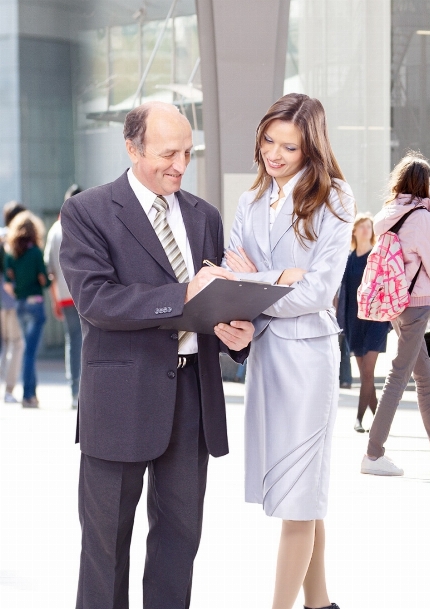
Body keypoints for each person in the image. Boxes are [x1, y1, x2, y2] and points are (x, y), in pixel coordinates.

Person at [60, 102, 254, 608]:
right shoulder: (88, 212)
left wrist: (237, 334)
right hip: (120, 401)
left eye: (188, 153)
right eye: (168, 153)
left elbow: (214, 301)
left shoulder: (204, 216)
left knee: (179, 543)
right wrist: (184, 293)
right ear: (132, 147)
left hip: (192, 399)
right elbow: (96, 300)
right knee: (105, 550)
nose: (180, 164)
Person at [223, 94, 351, 609]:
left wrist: (255, 284)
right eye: (268, 140)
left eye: (289, 146)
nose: (274, 154)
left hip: (308, 361)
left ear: (310, 148)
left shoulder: (335, 199)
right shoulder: (249, 200)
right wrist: (278, 279)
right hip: (267, 357)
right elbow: (230, 279)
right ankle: (320, 604)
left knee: (298, 497)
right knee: (302, 491)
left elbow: (321, 291)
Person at [360, 152, 430, 477]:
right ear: (423, 185)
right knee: (399, 376)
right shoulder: (421, 217)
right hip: (417, 302)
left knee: (425, 379)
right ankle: (373, 453)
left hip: (396, 303)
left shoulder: (388, 216)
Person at [337, 213, 391, 432]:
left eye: (369, 227)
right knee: (365, 375)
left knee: (367, 373)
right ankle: (380, 421)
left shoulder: (377, 256)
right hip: (354, 323)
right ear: (355, 231)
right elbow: (345, 295)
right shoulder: (349, 259)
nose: (366, 230)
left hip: (376, 322)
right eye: (362, 226)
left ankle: (358, 419)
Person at [3, 210, 49, 409]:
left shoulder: (11, 254)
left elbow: (8, 282)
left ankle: (33, 393)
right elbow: (44, 280)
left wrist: (18, 291)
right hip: (35, 304)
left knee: (29, 351)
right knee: (30, 352)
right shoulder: (36, 252)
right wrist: (45, 280)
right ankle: (28, 395)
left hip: (20, 305)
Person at [45, 184, 84, 409]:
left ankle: (74, 392)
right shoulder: (87, 225)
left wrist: (54, 300)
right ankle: (86, 391)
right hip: (87, 295)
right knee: (89, 341)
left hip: (64, 295)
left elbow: (50, 270)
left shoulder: (55, 230)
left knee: (73, 341)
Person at [0, 202, 26, 403]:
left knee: (7, 343)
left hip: (2, 300)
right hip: (13, 299)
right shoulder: (15, 237)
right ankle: (8, 390)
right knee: (16, 344)